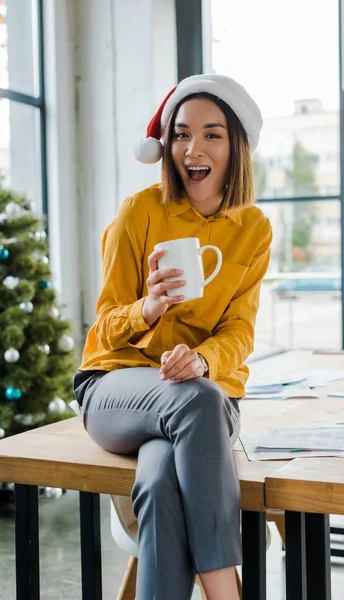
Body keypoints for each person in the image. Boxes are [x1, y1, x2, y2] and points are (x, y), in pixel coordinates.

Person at [73, 73, 272, 600]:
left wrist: (202, 361)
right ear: (167, 145)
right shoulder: (139, 212)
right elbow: (105, 325)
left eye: (211, 134)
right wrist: (149, 307)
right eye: (181, 134)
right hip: (116, 388)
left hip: (201, 397)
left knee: (161, 483)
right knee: (196, 402)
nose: (193, 148)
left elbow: (238, 332)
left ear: (236, 148)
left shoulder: (254, 230)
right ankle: (226, 593)